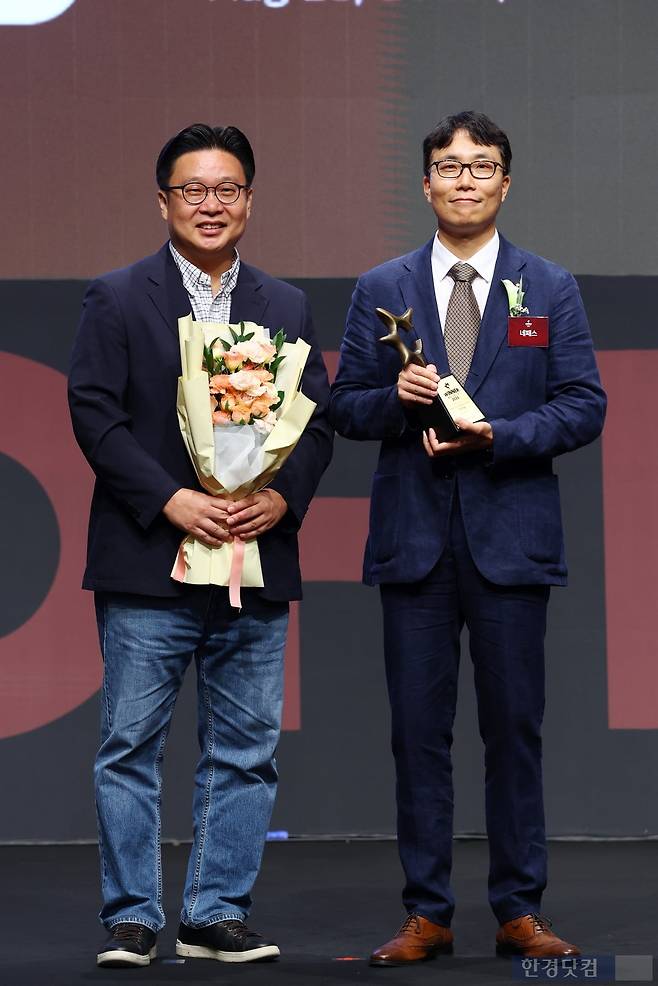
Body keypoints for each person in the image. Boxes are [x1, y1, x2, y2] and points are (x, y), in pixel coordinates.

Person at [329, 110, 605, 966]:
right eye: (448, 166)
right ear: (425, 185)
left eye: (481, 166)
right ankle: (428, 914)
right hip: (414, 539)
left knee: (514, 729)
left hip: (511, 538)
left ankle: (520, 909)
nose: (465, 179)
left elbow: (584, 404)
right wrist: (396, 400)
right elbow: (343, 407)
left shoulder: (547, 286)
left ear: (505, 183)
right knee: (418, 735)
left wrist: (501, 436)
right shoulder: (381, 285)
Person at [68, 123, 333, 968]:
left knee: (247, 751)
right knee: (129, 749)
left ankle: (214, 913)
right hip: (149, 558)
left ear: (248, 200)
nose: (209, 204)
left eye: (226, 189)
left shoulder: (286, 305)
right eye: (193, 189)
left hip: (254, 559)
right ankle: (133, 917)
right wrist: (172, 499)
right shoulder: (117, 296)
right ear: (164, 202)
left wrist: (281, 500)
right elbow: (95, 417)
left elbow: (316, 424)